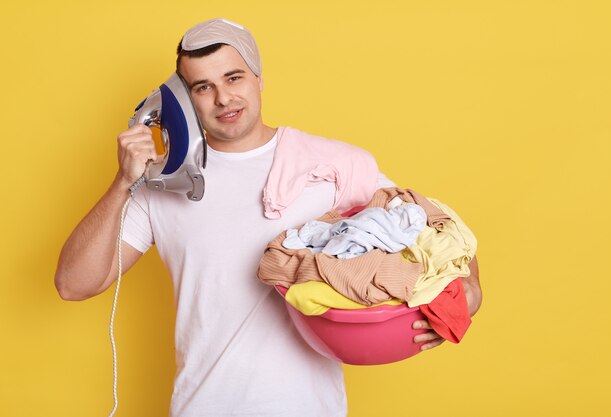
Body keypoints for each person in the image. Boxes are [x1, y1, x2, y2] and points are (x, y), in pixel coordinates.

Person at [55, 18, 482, 417]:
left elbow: (433, 226)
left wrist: (471, 290)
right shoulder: (164, 186)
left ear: (259, 78)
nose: (223, 98)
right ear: (185, 99)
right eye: (203, 87)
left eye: (234, 77)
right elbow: (74, 284)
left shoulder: (332, 165)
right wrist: (121, 183)